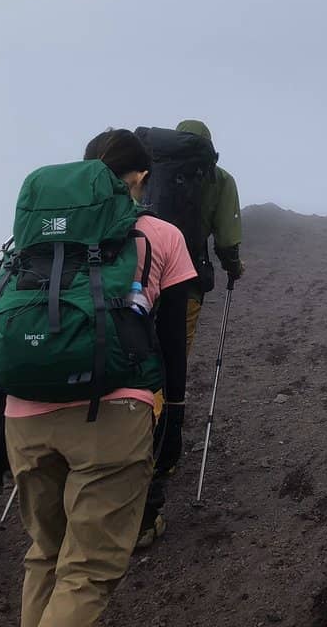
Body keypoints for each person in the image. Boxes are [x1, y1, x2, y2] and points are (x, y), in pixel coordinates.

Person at [0, 128, 197, 626]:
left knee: (46, 554)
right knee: (88, 572)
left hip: (24, 412)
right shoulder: (160, 235)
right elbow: (170, 343)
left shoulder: (35, 238)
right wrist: (175, 417)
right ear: (139, 176)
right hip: (113, 415)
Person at [135, 119, 245, 549]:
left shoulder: (148, 166)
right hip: (187, 283)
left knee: (137, 360)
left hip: (133, 282)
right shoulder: (217, 177)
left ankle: (124, 440)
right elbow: (228, 235)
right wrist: (233, 266)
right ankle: (158, 453)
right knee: (168, 361)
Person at [173, 120, 245, 355]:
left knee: (140, 346)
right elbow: (226, 240)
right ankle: (166, 391)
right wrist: (234, 267)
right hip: (187, 277)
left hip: (141, 276)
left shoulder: (153, 170)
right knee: (175, 351)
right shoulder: (220, 179)